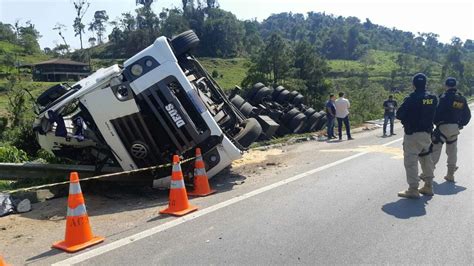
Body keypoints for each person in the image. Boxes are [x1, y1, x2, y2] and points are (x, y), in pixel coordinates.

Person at [396, 73, 438, 198]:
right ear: (425, 84)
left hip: (412, 134)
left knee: (411, 161)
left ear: (413, 84)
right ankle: (428, 186)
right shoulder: (433, 98)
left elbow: (399, 114)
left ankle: (413, 189)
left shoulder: (411, 98)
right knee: (426, 159)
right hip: (427, 134)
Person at [430, 77, 471, 182]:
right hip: (454, 128)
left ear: (446, 86)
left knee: (435, 149)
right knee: (452, 151)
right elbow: (467, 115)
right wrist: (461, 125)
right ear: (455, 86)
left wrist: (435, 123)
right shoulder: (461, 99)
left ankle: (428, 173)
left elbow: (435, 112)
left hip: (442, 127)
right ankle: (450, 175)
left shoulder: (443, 97)